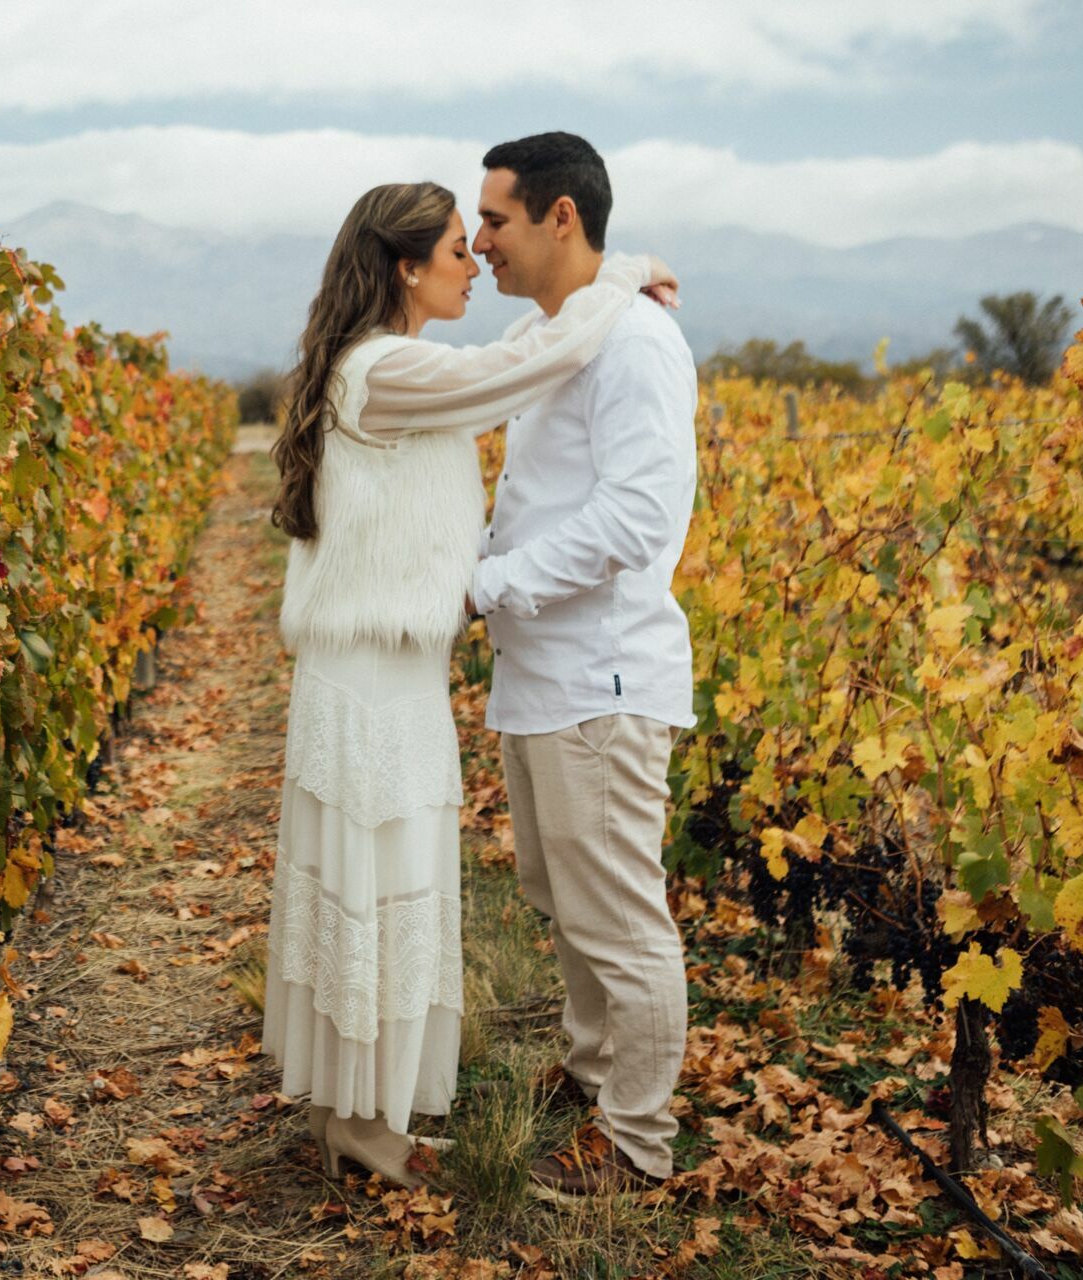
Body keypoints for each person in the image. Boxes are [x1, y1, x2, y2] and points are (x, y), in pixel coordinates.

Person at [260, 177, 677, 1190]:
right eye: (457, 243)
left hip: (383, 674)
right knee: (374, 889)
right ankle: (362, 1123)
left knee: (376, 890)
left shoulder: (379, 367)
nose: (473, 258)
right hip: (373, 685)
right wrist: (618, 279)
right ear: (407, 266)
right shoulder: (389, 369)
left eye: (482, 231)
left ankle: (359, 1112)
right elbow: (523, 364)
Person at [464, 131, 700, 1201]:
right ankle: (600, 1076)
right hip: (546, 680)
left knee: (619, 914)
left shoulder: (634, 344)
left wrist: (493, 584)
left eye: (497, 219)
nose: (480, 241)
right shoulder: (555, 333)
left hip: (599, 677)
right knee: (567, 895)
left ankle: (637, 1140)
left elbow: (637, 515)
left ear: (562, 217)